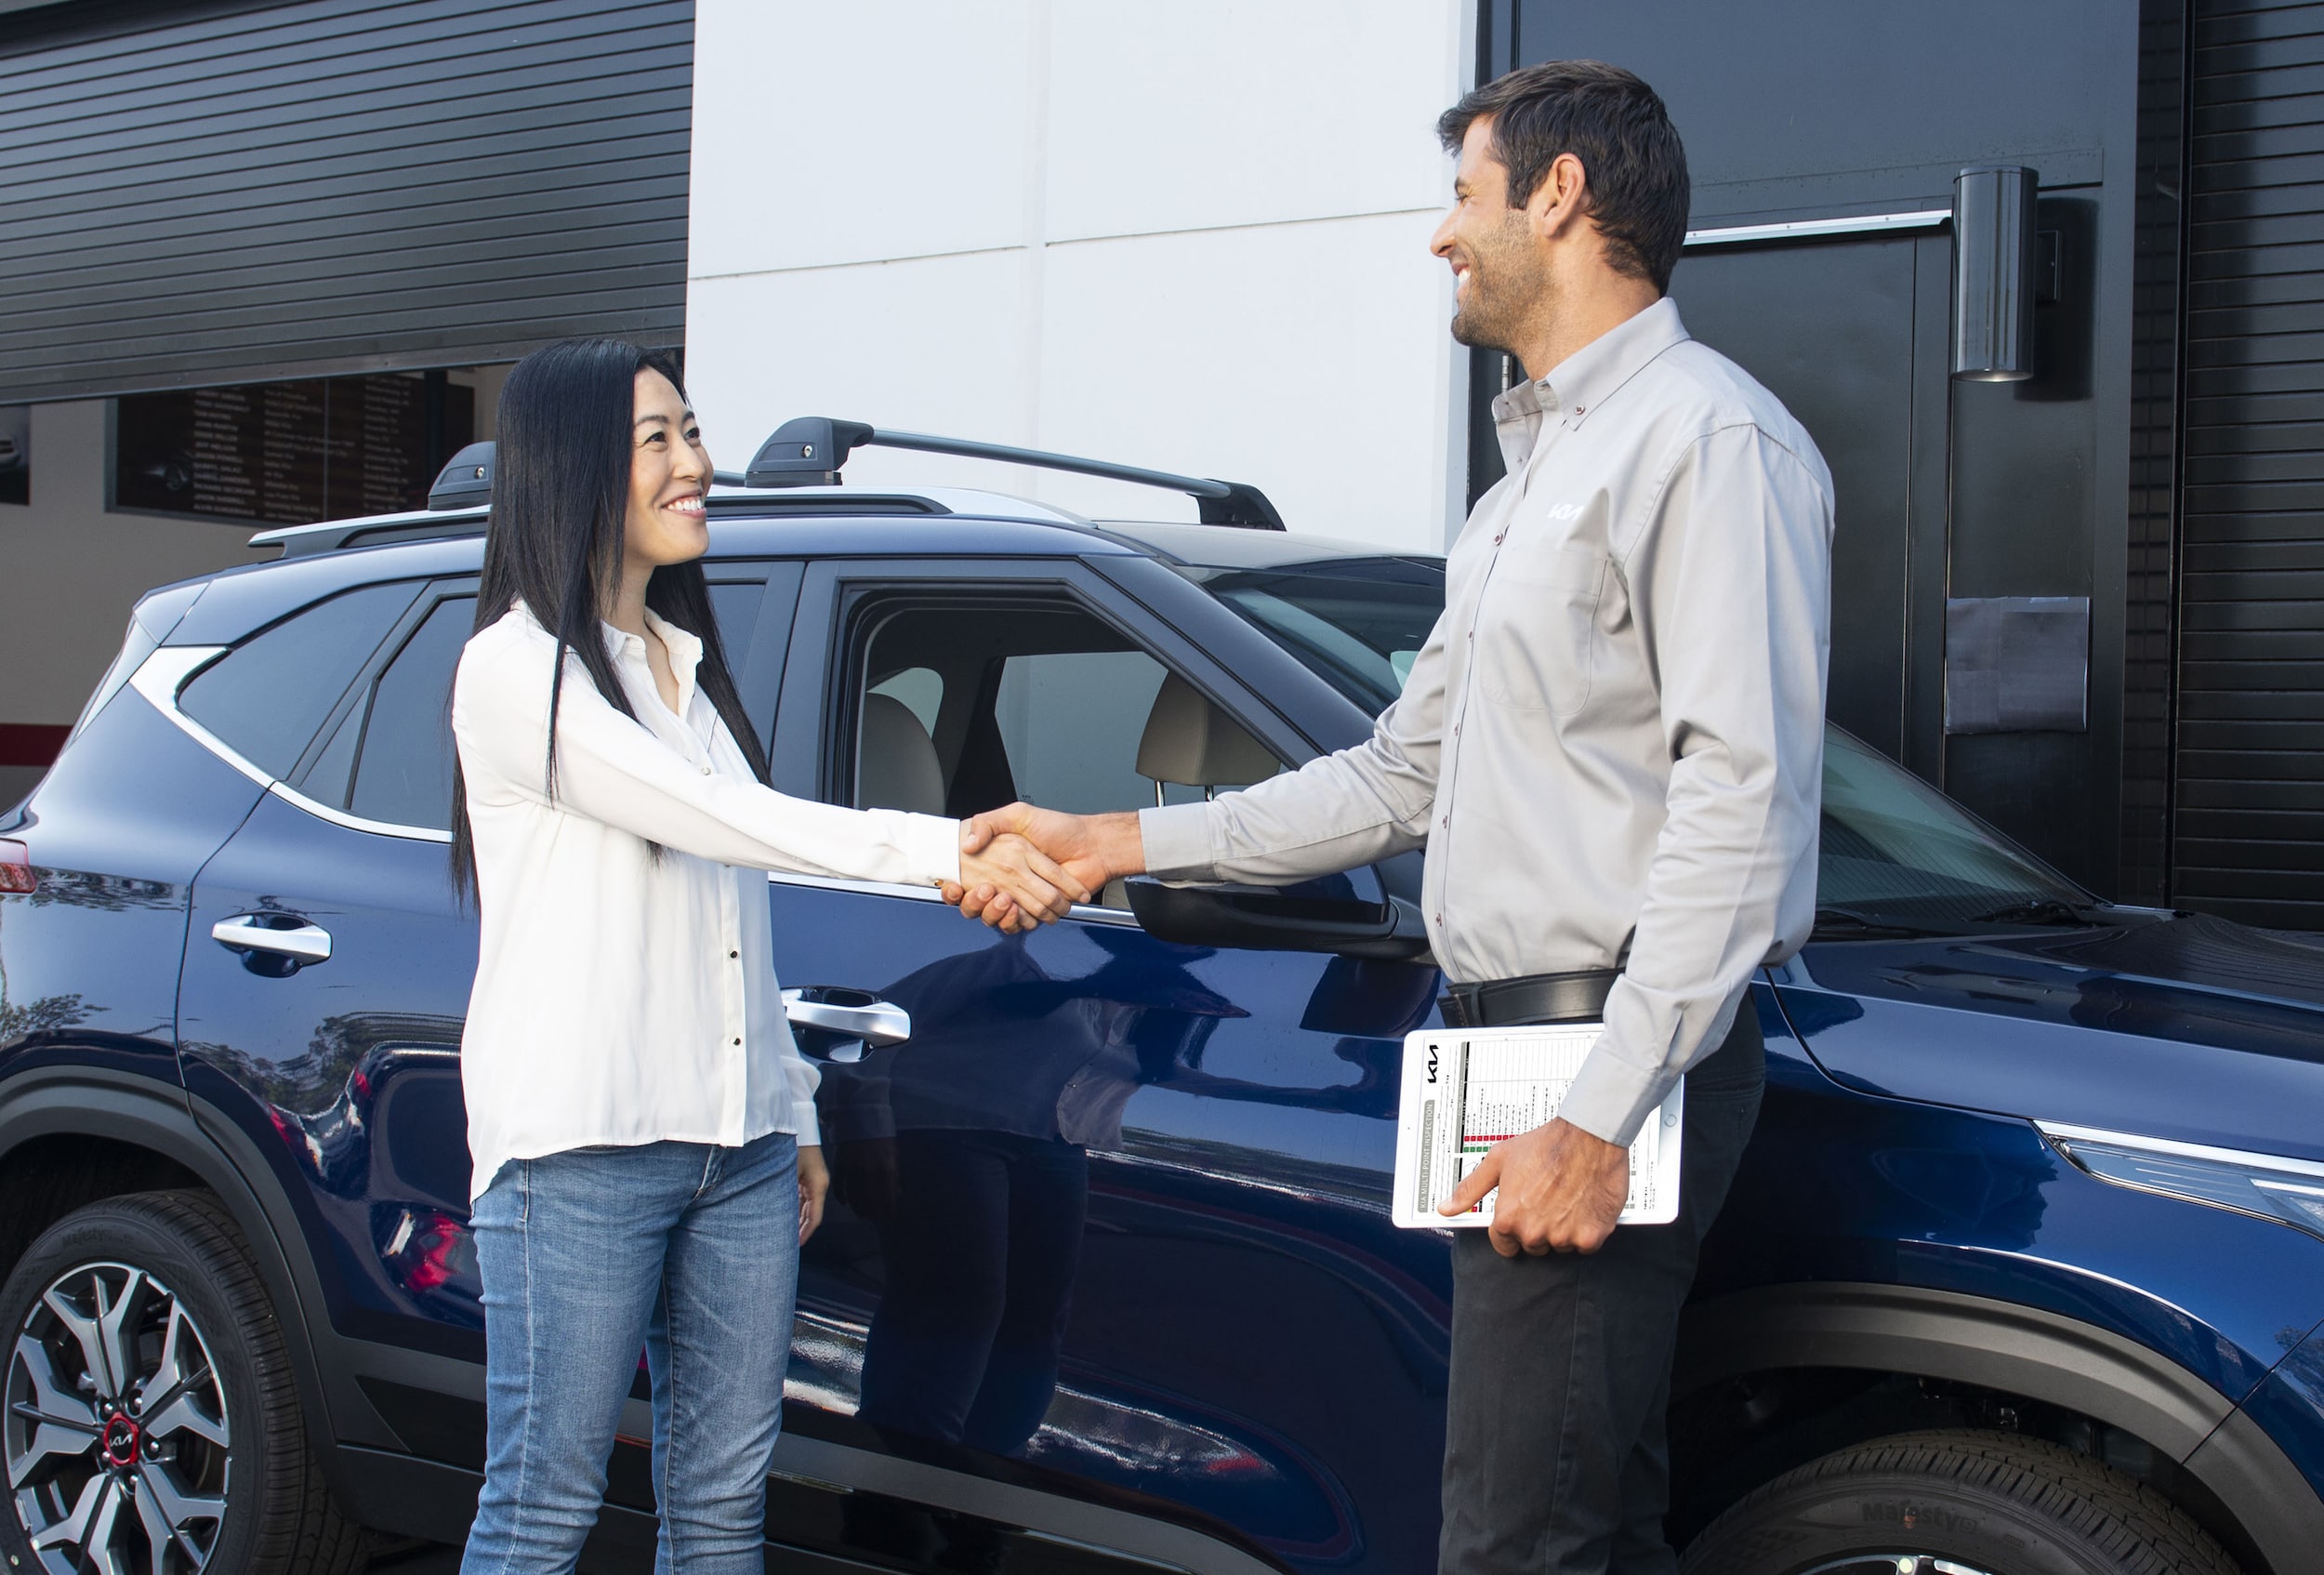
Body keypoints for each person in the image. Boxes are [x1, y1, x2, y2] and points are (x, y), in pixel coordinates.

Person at [949, 61, 1834, 1575]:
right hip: (1517, 1052)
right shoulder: (1519, 493)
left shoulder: (1705, 441)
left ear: (1558, 197)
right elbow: (1394, 775)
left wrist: (1599, 1110)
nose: (1441, 237)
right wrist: (1119, 838)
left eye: (1464, 195)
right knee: (1575, 1518)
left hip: (1596, 1055)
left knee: (1517, 1539)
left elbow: (1741, 801)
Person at [448, 337, 1085, 1575]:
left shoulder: (685, 677)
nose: (698, 464)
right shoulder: (511, 670)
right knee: (543, 1506)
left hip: (733, 1158)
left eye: (692, 432)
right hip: (579, 1152)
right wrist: (952, 850)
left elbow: (732, 914)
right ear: (572, 464)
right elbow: (740, 825)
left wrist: (785, 1108)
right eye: (660, 440)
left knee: (723, 1510)